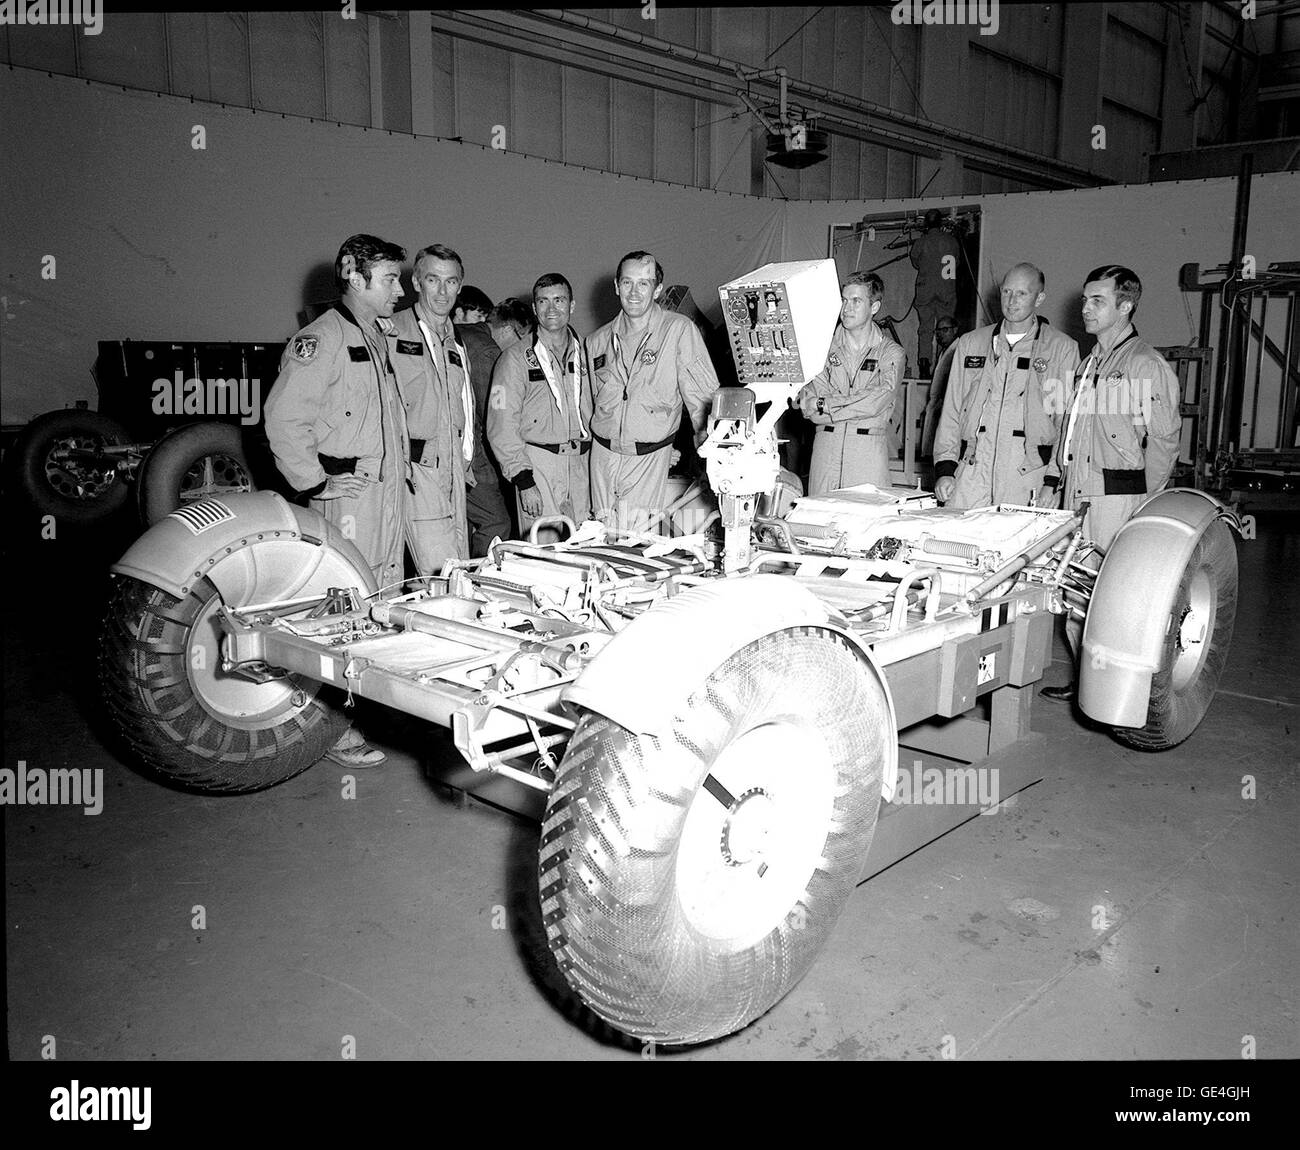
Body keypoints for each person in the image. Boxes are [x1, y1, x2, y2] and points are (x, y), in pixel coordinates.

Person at [264, 233, 411, 767]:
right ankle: (331, 728)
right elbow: (284, 420)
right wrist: (315, 483)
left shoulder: (377, 337)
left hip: (385, 493)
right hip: (349, 498)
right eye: (391, 278)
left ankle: (369, 708)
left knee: (380, 601)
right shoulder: (321, 339)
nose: (401, 288)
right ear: (354, 274)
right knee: (341, 611)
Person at [1038, 264, 1182, 702]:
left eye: (1097, 300)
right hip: (1074, 497)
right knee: (1073, 594)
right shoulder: (1088, 364)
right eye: (1085, 299)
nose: (1085, 308)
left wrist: (1145, 504)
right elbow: (1070, 428)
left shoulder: (1145, 365)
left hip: (1116, 501)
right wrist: (1054, 479)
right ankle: (1085, 681)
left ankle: (1111, 690)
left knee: (1109, 600)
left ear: (1125, 306)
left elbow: (1164, 442)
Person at [586, 251, 719, 532]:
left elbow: (704, 399)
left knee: (633, 542)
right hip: (602, 458)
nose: (634, 293)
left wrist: (710, 448)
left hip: (647, 459)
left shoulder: (678, 330)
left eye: (643, 284)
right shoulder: (597, 341)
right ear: (616, 286)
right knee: (598, 537)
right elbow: (589, 404)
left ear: (657, 289)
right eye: (627, 283)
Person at [932, 264, 1079, 508]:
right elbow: (951, 411)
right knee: (957, 541)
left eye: (1022, 293)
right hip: (973, 468)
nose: (1011, 301)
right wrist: (945, 467)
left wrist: (1053, 480)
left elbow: (1065, 423)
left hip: (1026, 473)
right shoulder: (971, 344)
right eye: (1007, 292)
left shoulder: (1060, 348)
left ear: (1039, 298)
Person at [387, 243, 474, 575]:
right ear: (416, 283)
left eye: (451, 281)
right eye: (433, 280)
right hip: (416, 471)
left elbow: (464, 404)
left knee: (457, 567)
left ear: (459, 286)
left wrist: (464, 463)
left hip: (452, 471)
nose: (442, 290)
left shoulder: (455, 340)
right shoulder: (391, 332)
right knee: (444, 572)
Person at [487, 273, 592, 542]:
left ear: (572, 305)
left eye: (559, 300)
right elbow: (501, 424)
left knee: (587, 548)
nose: (551, 308)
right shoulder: (515, 359)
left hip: (583, 466)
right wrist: (523, 480)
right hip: (539, 466)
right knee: (542, 554)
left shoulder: (590, 353)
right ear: (534, 308)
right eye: (543, 302)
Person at [796, 271, 906, 495]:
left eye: (856, 301)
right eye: (844, 300)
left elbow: (877, 401)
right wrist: (855, 406)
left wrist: (825, 404)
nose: (846, 308)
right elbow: (808, 405)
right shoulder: (821, 349)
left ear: (874, 307)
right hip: (825, 454)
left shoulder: (891, 352)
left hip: (867, 457)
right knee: (818, 525)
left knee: (866, 524)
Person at [454, 289, 515, 554]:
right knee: (496, 522)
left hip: (442, 457)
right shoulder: (484, 348)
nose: (482, 323)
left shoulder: (441, 341)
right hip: (474, 456)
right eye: (478, 315)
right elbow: (491, 416)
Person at [910, 208, 961, 377]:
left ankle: (924, 366)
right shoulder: (952, 241)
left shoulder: (921, 242)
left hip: (925, 291)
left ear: (926, 224)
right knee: (946, 329)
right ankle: (945, 367)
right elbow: (957, 262)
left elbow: (916, 262)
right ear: (941, 222)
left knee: (926, 329)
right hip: (946, 290)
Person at [919, 315, 961, 458]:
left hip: (946, 404)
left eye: (945, 330)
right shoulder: (945, 351)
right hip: (937, 404)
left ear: (955, 330)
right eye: (938, 331)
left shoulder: (958, 349)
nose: (940, 335)